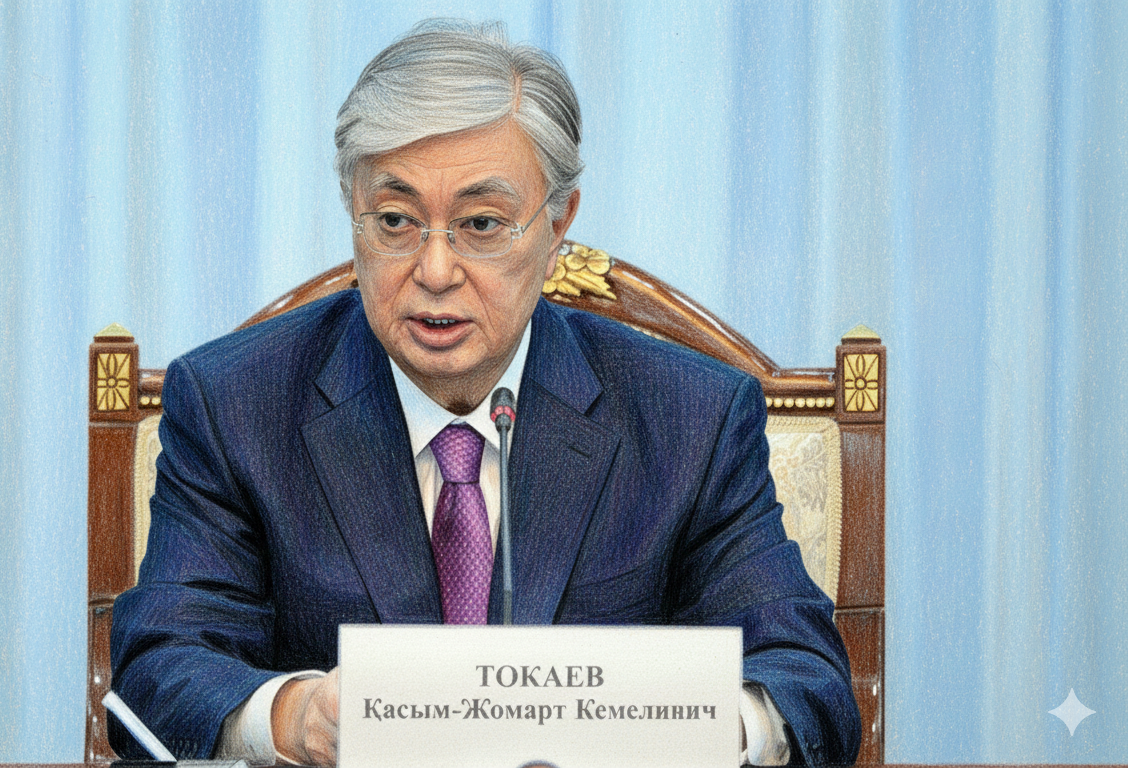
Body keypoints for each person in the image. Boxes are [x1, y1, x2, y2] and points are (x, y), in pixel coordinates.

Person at [110, 19, 859, 767]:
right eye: (395, 221)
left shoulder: (690, 418)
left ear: (556, 225)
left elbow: (805, 678)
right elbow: (159, 667)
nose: (435, 271)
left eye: (480, 224)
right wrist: (291, 716)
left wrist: (690, 725)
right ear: (351, 209)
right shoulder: (235, 404)